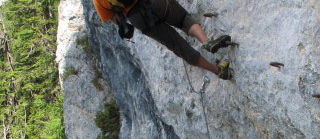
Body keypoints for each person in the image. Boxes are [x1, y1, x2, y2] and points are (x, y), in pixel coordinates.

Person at [92, 0, 233, 79]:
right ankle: (206, 41)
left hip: (138, 18)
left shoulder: (97, 1)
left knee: (178, 47)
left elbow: (116, 20)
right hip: (154, 2)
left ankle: (218, 71)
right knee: (183, 19)